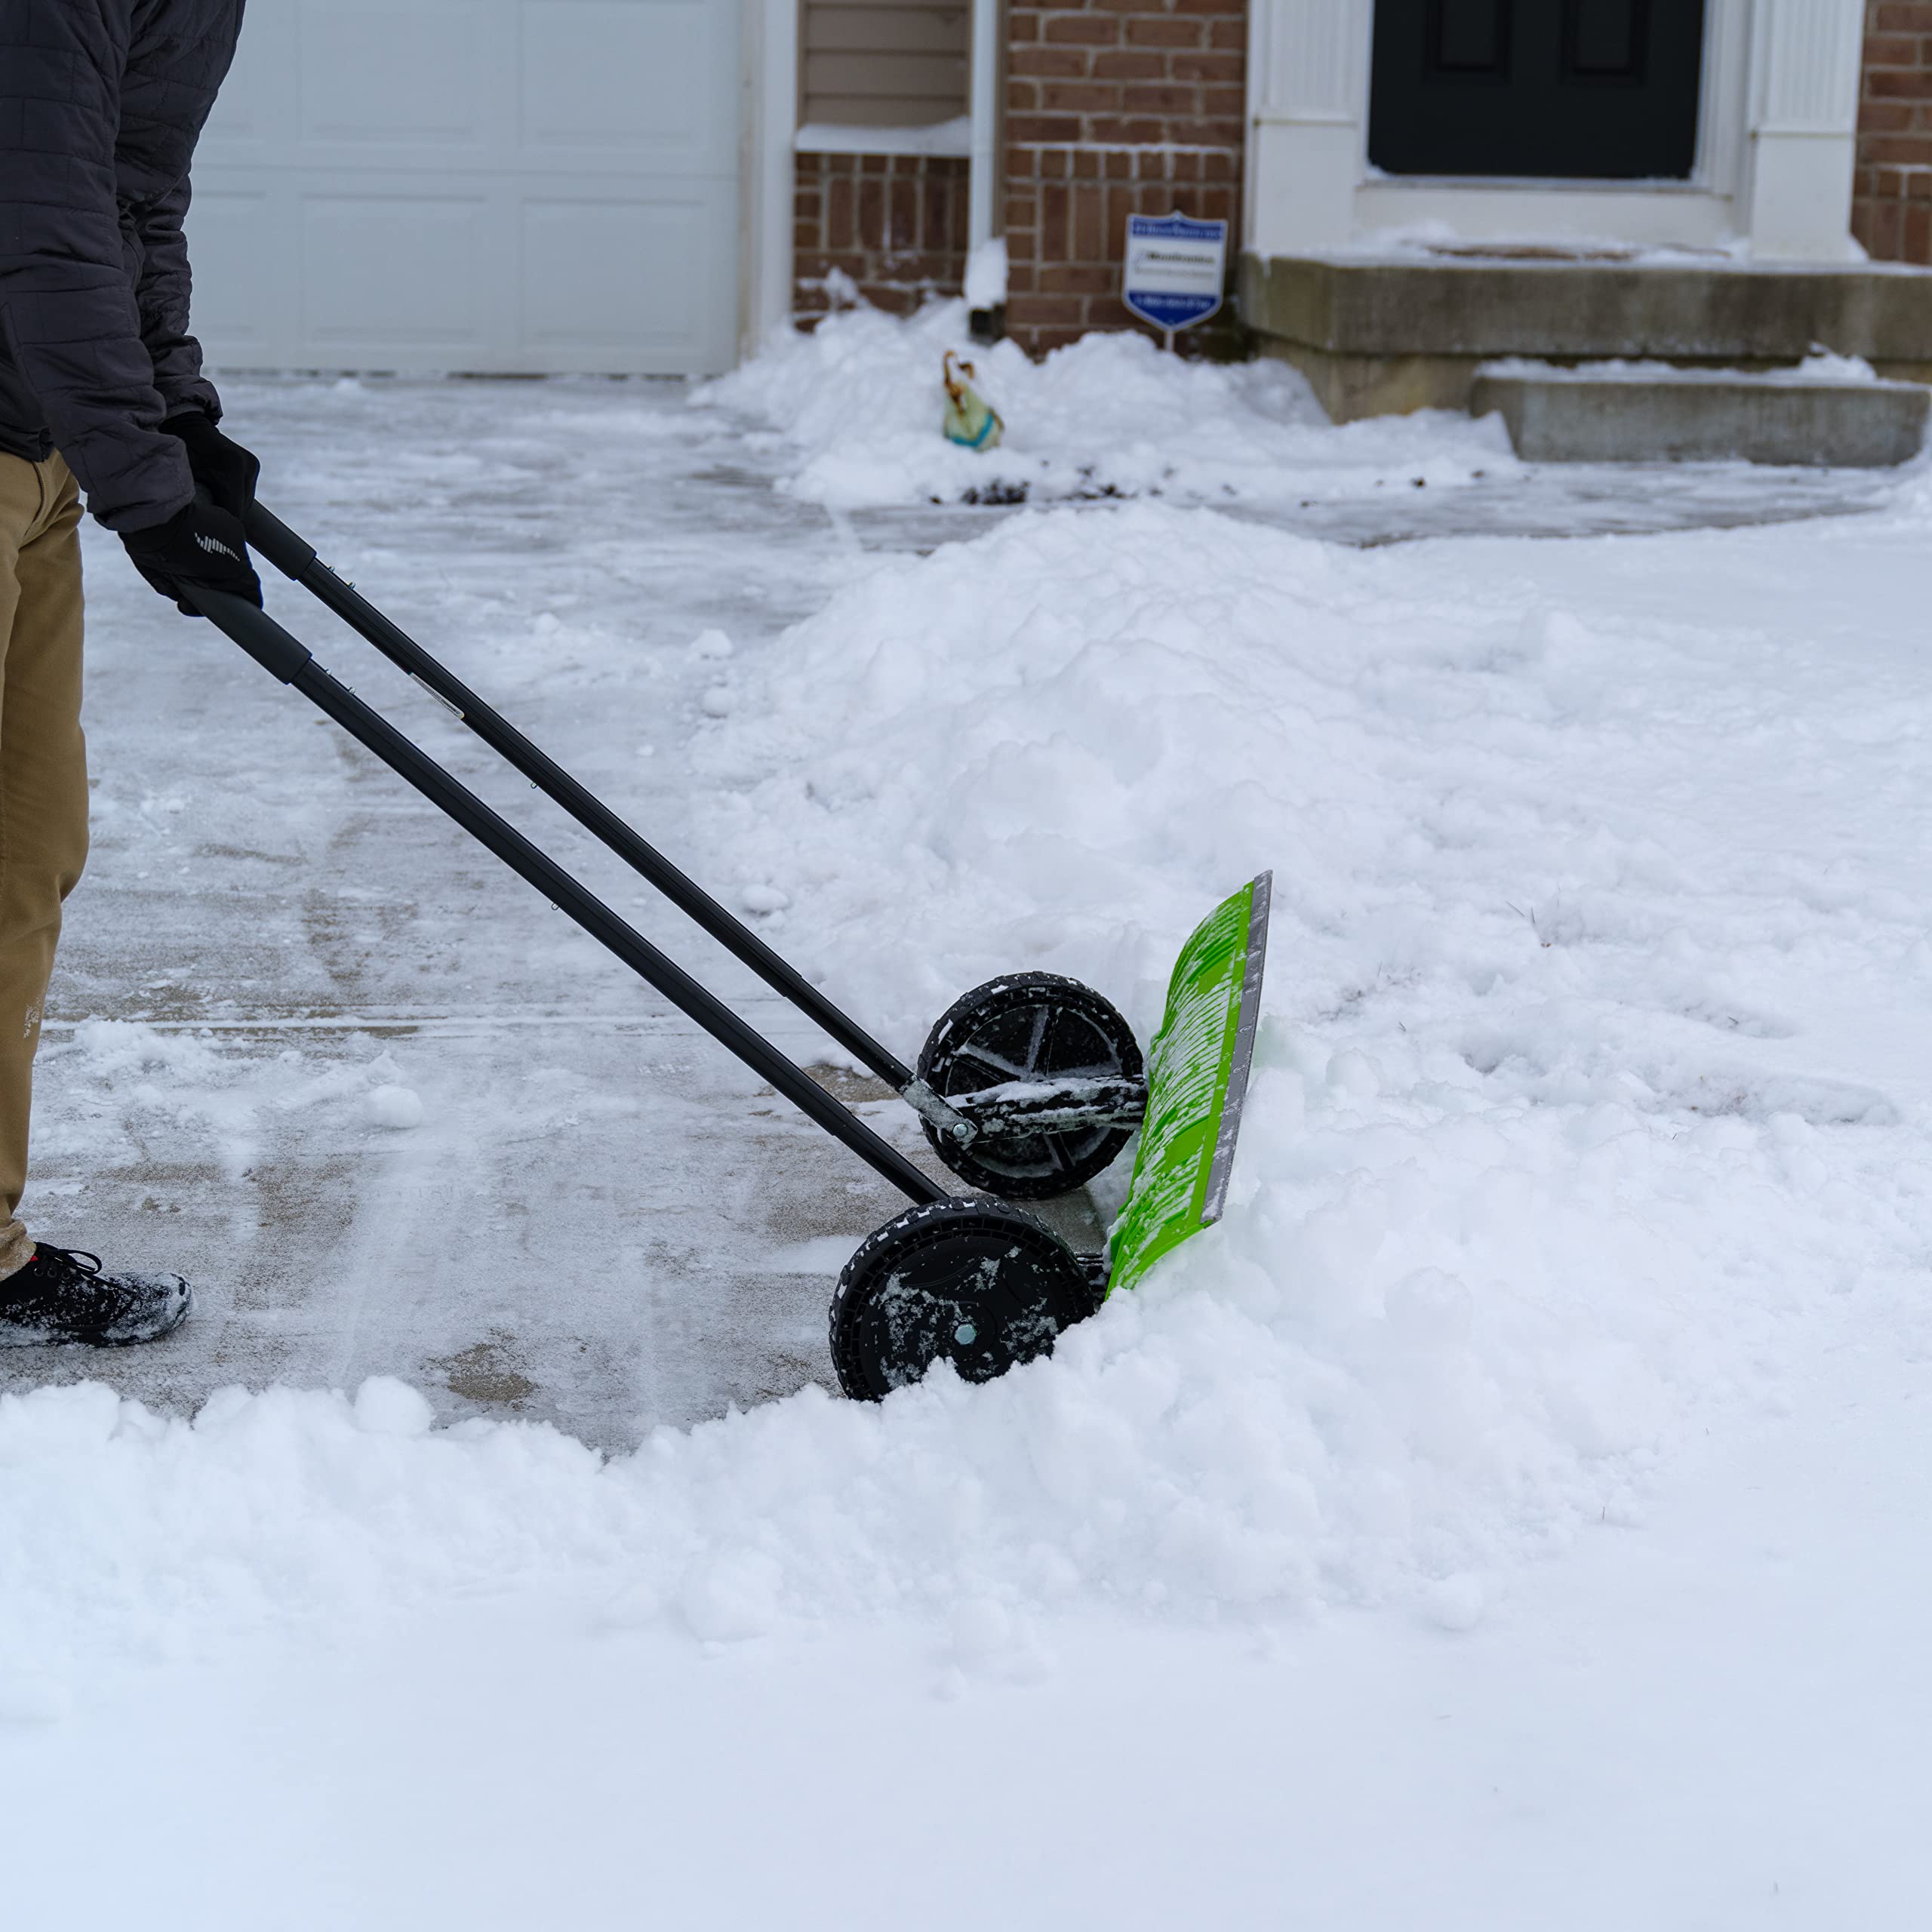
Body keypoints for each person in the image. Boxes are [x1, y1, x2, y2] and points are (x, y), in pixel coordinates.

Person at [1, 0, 266, 1346]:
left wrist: (181, 411)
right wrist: (143, 483)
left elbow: (133, 204)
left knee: (27, 848)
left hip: (33, 446)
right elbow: (37, 220)